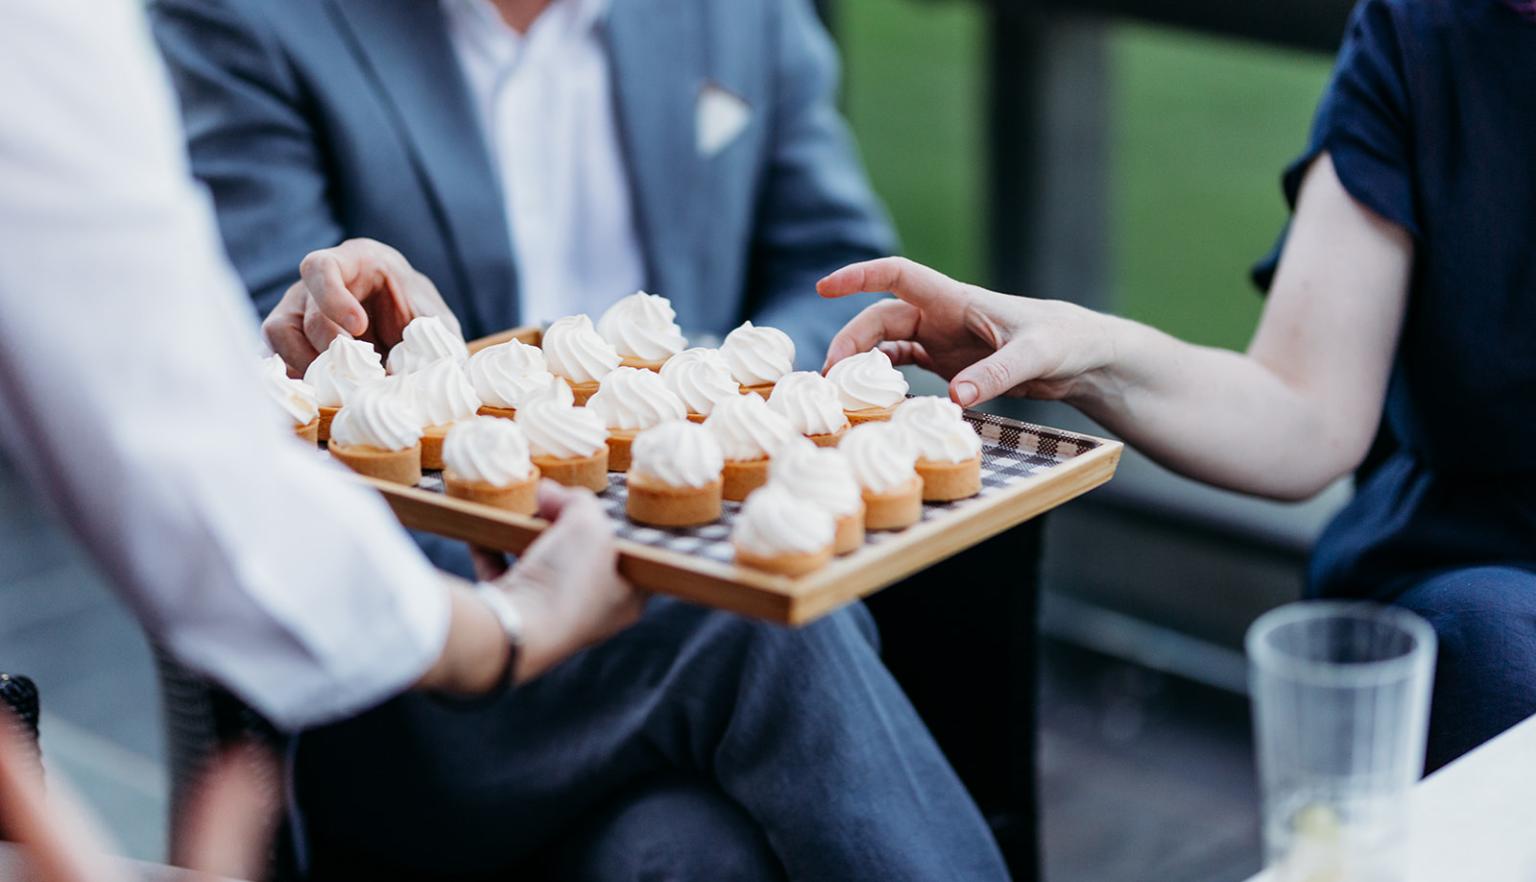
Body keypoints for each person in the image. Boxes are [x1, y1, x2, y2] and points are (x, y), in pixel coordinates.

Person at [3, 3, 1009, 880]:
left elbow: (830, 264)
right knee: (750, 615)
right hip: (428, 669)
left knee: (684, 854)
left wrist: (700, 391)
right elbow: (217, 407)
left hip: (687, 670)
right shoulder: (244, 16)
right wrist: (381, 361)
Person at [820, 0, 1536, 773]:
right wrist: (1083, 350)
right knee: (1499, 651)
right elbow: (1304, 412)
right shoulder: (1421, 32)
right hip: (1475, 579)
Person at [149, 0, 894, 371]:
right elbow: (262, 336)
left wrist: (736, 391)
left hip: (719, 512)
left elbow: (841, 271)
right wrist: (372, 336)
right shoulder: (245, 18)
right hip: (444, 573)